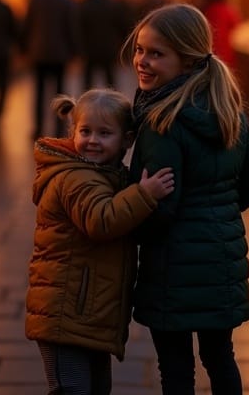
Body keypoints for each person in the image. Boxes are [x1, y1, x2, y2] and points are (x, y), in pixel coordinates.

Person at [127, 3, 249, 395]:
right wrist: (218, 211)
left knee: (176, 368)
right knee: (220, 358)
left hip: (172, 267)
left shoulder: (161, 121)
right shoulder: (228, 110)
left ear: (188, 60)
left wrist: (127, 217)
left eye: (156, 54)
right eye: (140, 50)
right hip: (221, 262)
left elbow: (160, 208)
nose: (142, 61)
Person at [26, 89, 175, 394]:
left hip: (87, 315)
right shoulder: (76, 178)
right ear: (73, 132)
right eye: (85, 131)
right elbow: (101, 220)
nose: (93, 140)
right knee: (73, 389)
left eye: (104, 133)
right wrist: (144, 194)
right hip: (65, 316)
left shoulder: (106, 175)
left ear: (127, 140)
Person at [22, 0, 78, 138]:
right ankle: (59, 127)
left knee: (39, 92)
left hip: (39, 52)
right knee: (60, 93)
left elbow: (28, 23)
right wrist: (74, 50)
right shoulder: (66, 0)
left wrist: (25, 47)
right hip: (59, 53)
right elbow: (71, 27)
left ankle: (38, 127)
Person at [77, 0, 128, 90]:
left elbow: (78, 28)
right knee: (109, 77)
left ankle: (87, 98)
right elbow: (121, 25)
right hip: (107, 46)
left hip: (89, 48)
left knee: (88, 79)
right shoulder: (110, 4)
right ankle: (113, 97)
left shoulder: (85, 5)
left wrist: (79, 47)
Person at [201, 0, 241, 68]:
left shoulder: (209, 9)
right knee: (226, 68)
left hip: (211, 45)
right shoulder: (228, 9)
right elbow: (237, 24)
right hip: (225, 46)